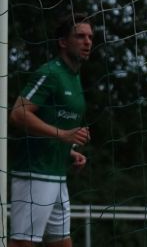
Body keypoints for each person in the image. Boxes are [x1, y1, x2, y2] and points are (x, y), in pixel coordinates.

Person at [9, 13, 93, 247]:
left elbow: (54, 124)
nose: (87, 42)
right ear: (63, 42)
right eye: (80, 36)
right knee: (22, 243)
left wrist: (68, 151)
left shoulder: (74, 77)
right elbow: (18, 113)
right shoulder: (50, 73)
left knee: (62, 243)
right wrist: (63, 135)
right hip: (34, 173)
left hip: (56, 174)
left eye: (90, 37)